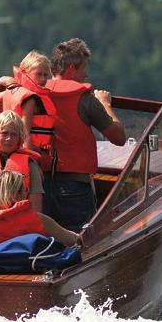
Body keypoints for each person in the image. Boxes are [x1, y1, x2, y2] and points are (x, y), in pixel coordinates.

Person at [44, 38, 126, 231]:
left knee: (45, 241)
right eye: (84, 68)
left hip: (41, 185)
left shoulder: (35, 95)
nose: (86, 74)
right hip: (75, 188)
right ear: (71, 68)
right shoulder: (86, 100)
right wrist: (105, 103)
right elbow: (119, 138)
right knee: (80, 245)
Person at [0, 170, 79, 254]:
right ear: (18, 194)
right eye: (25, 190)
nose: (26, 193)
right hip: (30, 271)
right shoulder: (37, 219)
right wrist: (78, 236)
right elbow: (72, 241)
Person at [0, 51, 57, 172]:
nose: (43, 79)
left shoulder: (15, 92)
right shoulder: (31, 100)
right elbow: (25, 133)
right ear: (25, 73)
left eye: (46, 75)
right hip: (28, 152)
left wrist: (9, 85)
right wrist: (32, 162)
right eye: (39, 74)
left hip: (11, 151)